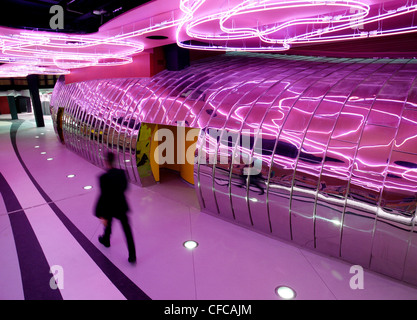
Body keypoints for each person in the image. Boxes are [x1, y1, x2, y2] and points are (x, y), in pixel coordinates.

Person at [95, 151, 136, 263]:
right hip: (121, 205)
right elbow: (125, 189)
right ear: (114, 161)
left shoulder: (102, 178)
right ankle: (132, 255)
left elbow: (102, 196)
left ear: (105, 161)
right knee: (127, 230)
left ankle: (106, 240)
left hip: (109, 207)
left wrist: (99, 212)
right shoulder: (122, 173)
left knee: (108, 225)